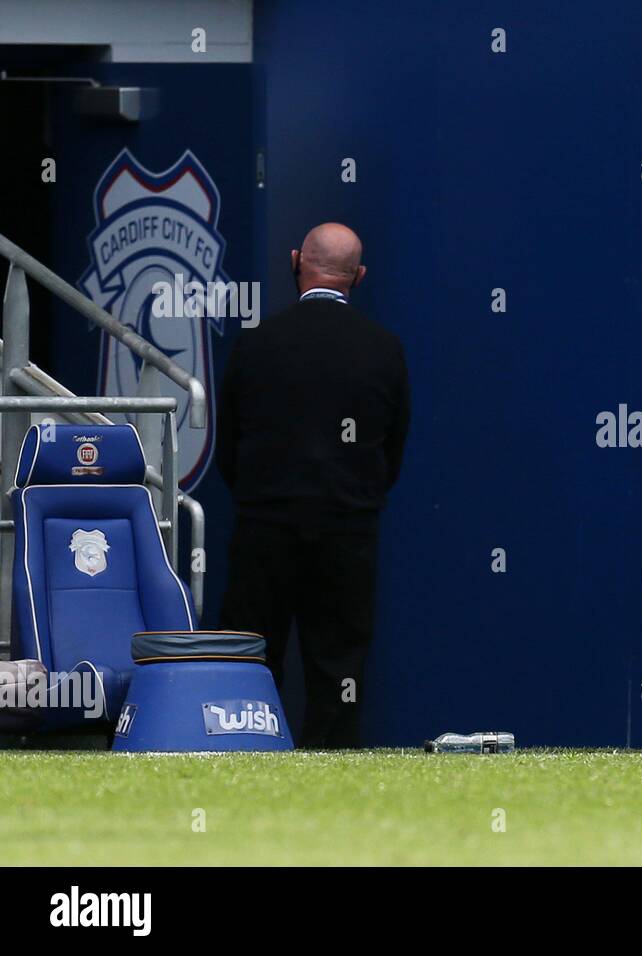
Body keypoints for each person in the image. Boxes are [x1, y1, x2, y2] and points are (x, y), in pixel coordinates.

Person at [217, 222, 410, 748]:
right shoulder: (384, 350)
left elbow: (227, 450)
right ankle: (334, 777)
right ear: (359, 276)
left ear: (296, 259)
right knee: (339, 667)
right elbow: (391, 452)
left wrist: (262, 498)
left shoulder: (255, 344)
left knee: (251, 659)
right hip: (347, 531)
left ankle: (243, 756)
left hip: (264, 526)